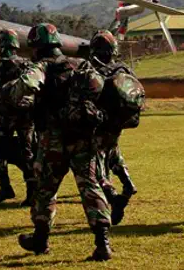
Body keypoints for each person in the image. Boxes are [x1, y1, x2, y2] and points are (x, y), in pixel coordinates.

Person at [15, 23, 113, 261]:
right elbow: (100, 86)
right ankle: (103, 243)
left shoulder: (43, 66)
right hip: (83, 138)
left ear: (38, 46)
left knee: (45, 189)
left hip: (54, 141)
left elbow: (27, 84)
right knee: (90, 187)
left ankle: (41, 238)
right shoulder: (81, 64)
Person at [88, 30, 137, 225]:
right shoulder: (123, 69)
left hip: (99, 126)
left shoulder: (95, 71)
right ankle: (127, 183)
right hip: (117, 126)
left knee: (98, 171)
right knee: (113, 153)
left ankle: (114, 197)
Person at [0, 29, 37, 206]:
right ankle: (32, 191)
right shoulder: (27, 64)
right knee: (28, 152)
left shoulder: (0, 65)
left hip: (6, 116)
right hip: (26, 116)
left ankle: (5, 186)